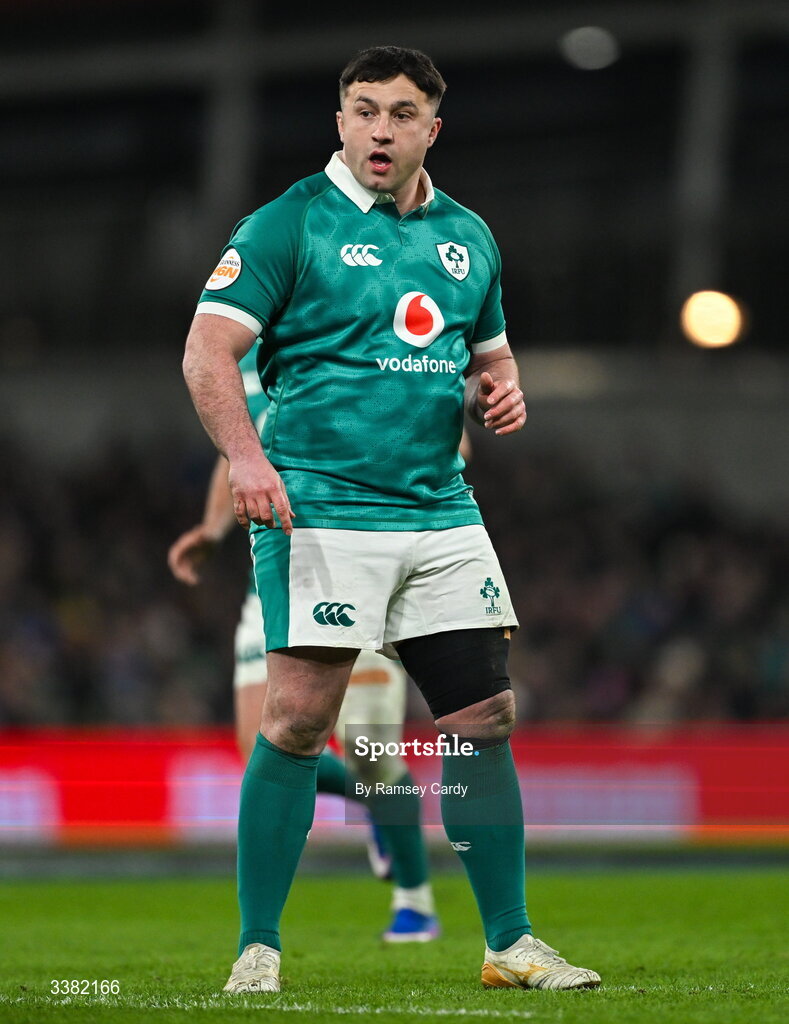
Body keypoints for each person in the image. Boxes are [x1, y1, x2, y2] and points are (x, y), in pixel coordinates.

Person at [182, 45, 600, 993]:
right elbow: (207, 352)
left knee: (482, 719)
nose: (380, 128)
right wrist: (247, 460)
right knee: (297, 723)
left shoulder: (468, 236)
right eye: (363, 110)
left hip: (441, 511)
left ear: (430, 130)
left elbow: (490, 361)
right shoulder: (288, 224)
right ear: (340, 122)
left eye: (400, 113)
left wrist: (504, 395)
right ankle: (258, 947)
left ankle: (509, 943)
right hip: (324, 508)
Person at [168, 343, 439, 942]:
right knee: (257, 746)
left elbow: (435, 422)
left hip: (356, 566)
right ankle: (380, 805)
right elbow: (231, 455)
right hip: (271, 578)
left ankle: (415, 900)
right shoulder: (241, 361)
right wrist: (212, 532)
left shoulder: (354, 332)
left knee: (370, 752)